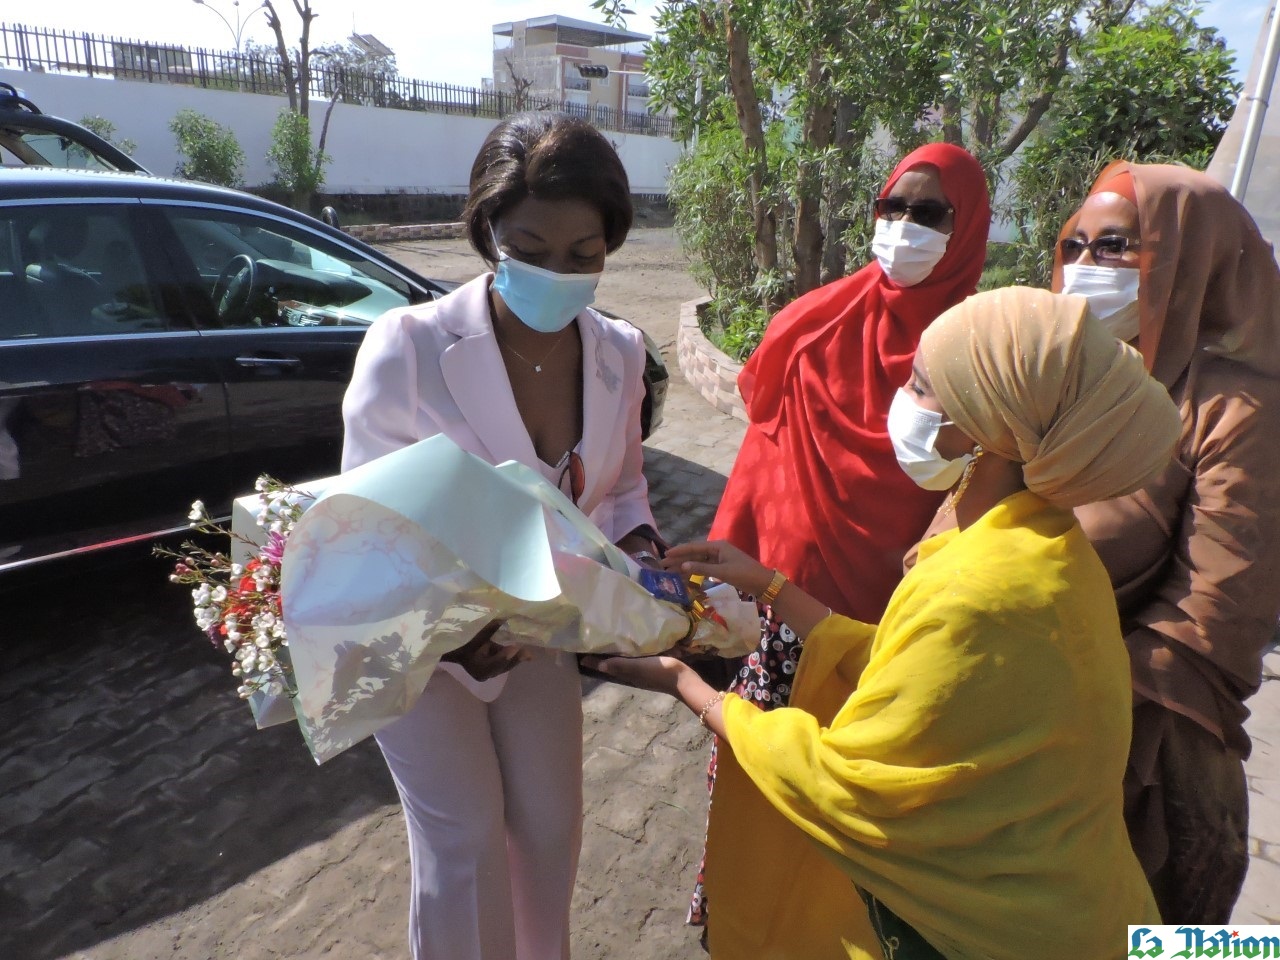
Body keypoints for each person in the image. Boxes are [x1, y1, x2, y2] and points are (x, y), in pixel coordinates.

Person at [587, 287, 1178, 960]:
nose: (902, 398)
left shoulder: (984, 586)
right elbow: (909, 669)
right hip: (1072, 896)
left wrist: (685, 686)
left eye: (923, 386)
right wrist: (771, 585)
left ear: (988, 427)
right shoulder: (1040, 543)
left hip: (1000, 934)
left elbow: (847, 786)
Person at [341, 112, 663, 960]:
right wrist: (459, 633)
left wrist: (642, 558)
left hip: (536, 636)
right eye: (531, 246)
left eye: (583, 255)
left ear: (610, 248)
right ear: (488, 231)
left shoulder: (620, 354)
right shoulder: (407, 349)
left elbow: (622, 486)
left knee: (551, 829)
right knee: (466, 841)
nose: (558, 273)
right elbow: (369, 532)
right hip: (420, 648)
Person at [686, 142, 990, 927]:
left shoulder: (981, 356)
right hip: (778, 617)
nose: (904, 227)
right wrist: (723, 584)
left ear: (969, 230)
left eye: (930, 214)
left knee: (852, 824)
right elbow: (764, 444)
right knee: (760, 795)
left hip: (886, 640)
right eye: (893, 208)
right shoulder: (821, 321)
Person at [1054, 162, 1280, 922]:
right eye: (1075, 245)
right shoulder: (1080, 370)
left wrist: (1052, 702)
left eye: (1115, 246)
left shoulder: (1240, 407)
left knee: (1155, 943)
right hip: (1021, 727)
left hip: (1136, 764)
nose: (1086, 268)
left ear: (1193, 256)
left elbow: (1213, 614)